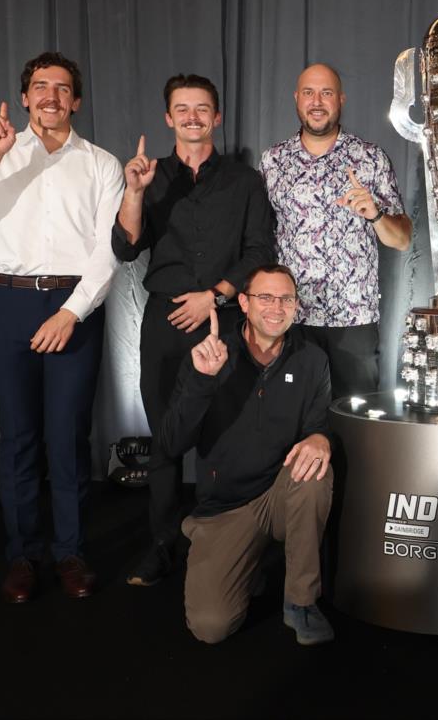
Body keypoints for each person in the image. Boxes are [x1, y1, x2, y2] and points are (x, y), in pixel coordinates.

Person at [0, 51, 123, 602]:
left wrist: (71, 312)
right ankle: (22, 554)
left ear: (76, 100)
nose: (50, 96)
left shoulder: (101, 164)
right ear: (25, 97)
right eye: (41, 86)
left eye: (62, 88)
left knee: (67, 435)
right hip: (8, 303)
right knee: (17, 437)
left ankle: (70, 552)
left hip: (74, 304)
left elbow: (107, 251)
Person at [112, 74, 275, 587]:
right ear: (169, 118)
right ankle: (163, 546)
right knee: (165, 438)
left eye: (202, 108)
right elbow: (126, 247)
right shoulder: (150, 175)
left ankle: (222, 547)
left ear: (216, 117)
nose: (192, 117)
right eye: (182, 109)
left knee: (222, 438)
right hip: (164, 321)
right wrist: (134, 193)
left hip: (223, 320)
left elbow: (260, 251)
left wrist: (216, 295)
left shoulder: (245, 181)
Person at [159, 264, 335, 645]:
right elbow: (171, 444)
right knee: (210, 626)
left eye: (286, 299)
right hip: (226, 508)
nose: (276, 307)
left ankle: (301, 602)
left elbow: (316, 426)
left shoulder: (311, 359)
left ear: (296, 306)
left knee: (315, 471)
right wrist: (203, 381)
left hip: (279, 496)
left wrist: (321, 438)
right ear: (243, 303)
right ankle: (239, 560)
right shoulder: (211, 354)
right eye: (265, 297)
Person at [259, 63, 411, 400]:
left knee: (354, 419)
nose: (317, 102)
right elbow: (258, 239)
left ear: (341, 99)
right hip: (292, 316)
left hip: (353, 319)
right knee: (292, 417)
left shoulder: (370, 158)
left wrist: (375, 214)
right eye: (309, 93)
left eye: (326, 93)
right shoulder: (272, 162)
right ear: (296, 98)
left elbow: (401, 239)